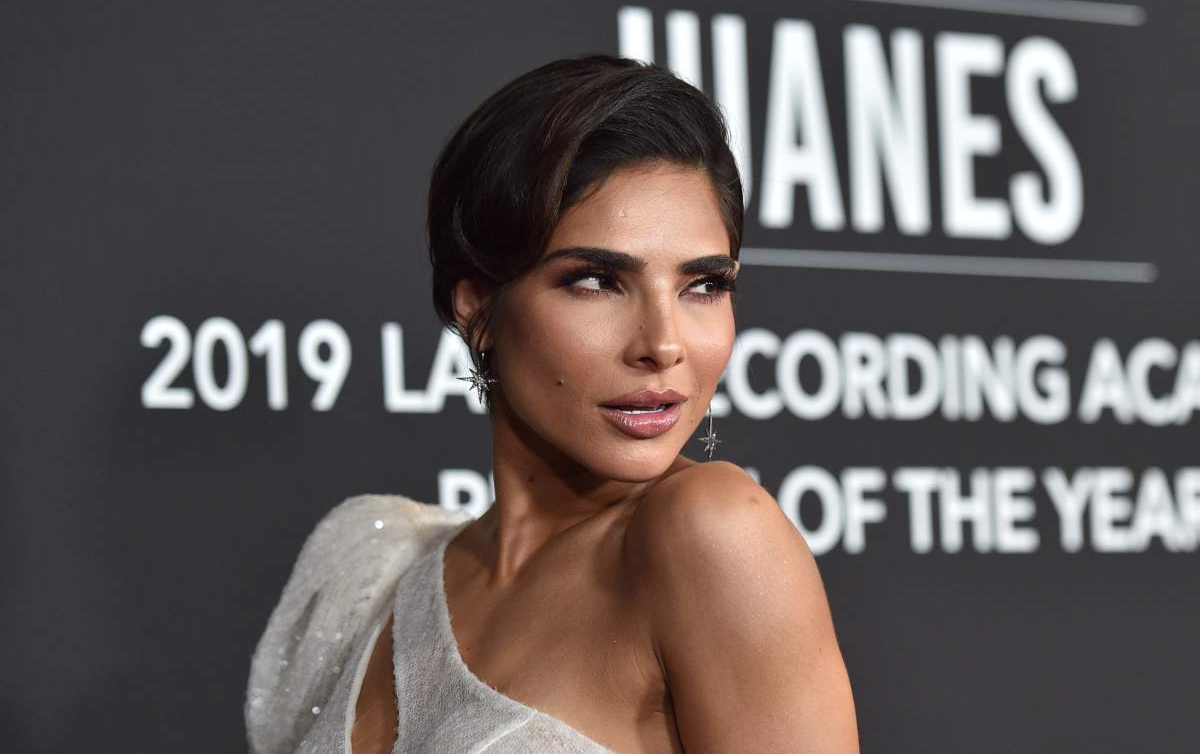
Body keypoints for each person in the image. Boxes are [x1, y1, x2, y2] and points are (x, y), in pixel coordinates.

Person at [245, 54, 859, 754]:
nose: (663, 345)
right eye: (597, 281)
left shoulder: (712, 532)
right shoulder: (369, 569)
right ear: (478, 306)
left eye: (704, 286)